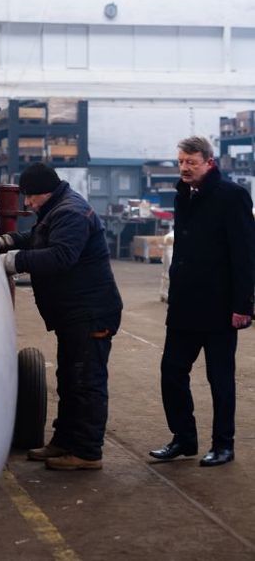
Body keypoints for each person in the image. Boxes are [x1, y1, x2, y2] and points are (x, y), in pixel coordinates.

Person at [0, 162, 123, 470]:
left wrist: (13, 262)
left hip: (90, 313)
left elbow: (61, 255)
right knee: (69, 380)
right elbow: (40, 238)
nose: (27, 203)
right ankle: (64, 442)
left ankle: (87, 453)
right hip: (74, 313)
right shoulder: (57, 208)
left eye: (31, 196)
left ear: (46, 191)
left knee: (86, 382)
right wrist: (6, 242)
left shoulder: (71, 212)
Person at [149, 136, 255, 467]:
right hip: (185, 304)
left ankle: (223, 445)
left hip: (219, 306)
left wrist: (243, 305)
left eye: (191, 162)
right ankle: (184, 438)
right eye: (181, 161)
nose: (184, 168)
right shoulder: (183, 195)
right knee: (171, 372)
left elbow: (245, 254)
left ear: (209, 162)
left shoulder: (232, 196)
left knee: (219, 379)